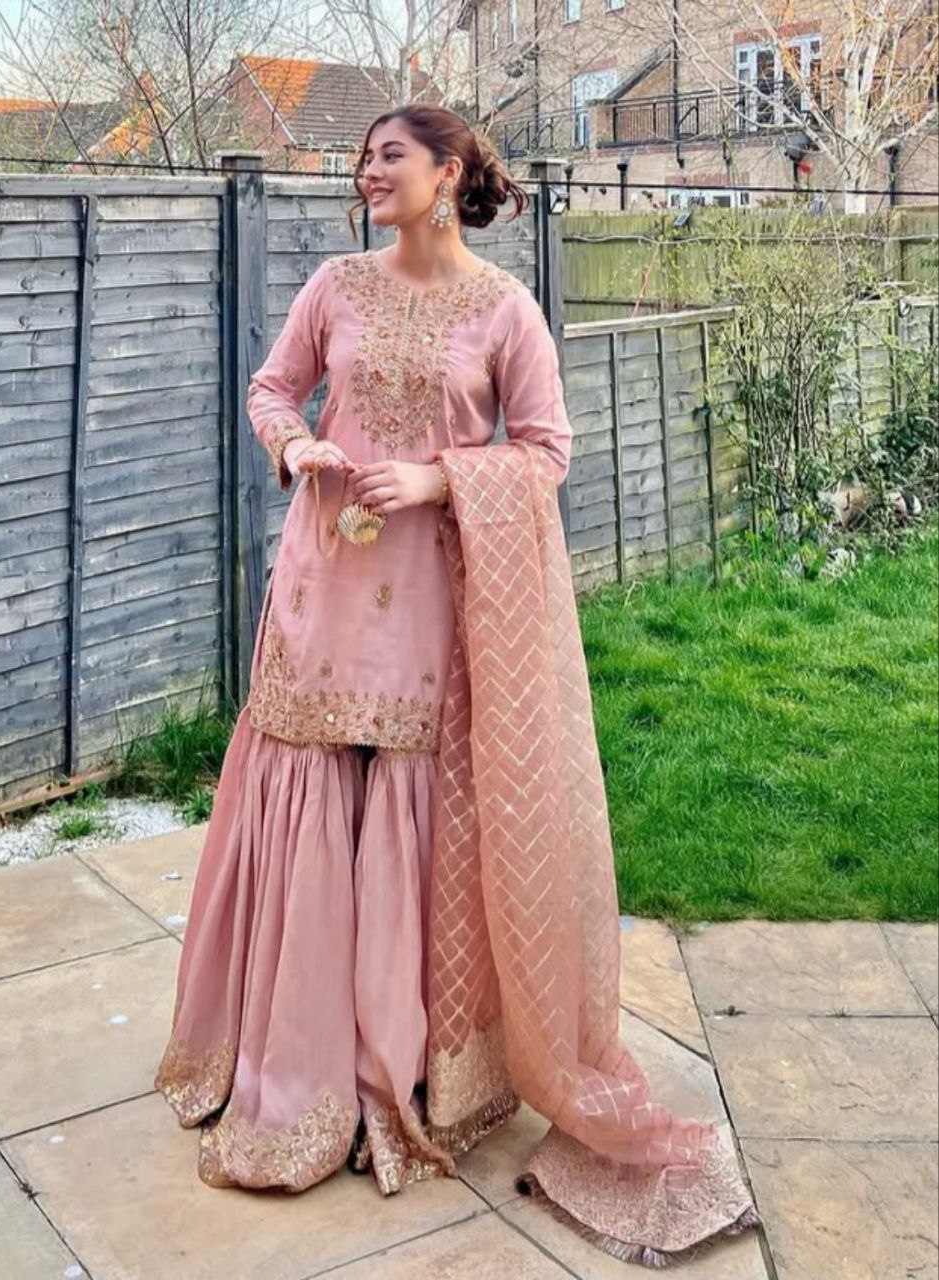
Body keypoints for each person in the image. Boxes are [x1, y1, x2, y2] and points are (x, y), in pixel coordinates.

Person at [153, 104, 761, 1268]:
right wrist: (297, 446)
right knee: (312, 783)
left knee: (408, 796)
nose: (366, 171)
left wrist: (437, 479)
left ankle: (407, 1060)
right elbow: (271, 389)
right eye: (362, 157)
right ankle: (293, 1055)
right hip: (322, 584)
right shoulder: (332, 286)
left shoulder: (503, 309)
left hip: (434, 598)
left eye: (389, 155)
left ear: (447, 174)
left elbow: (544, 448)